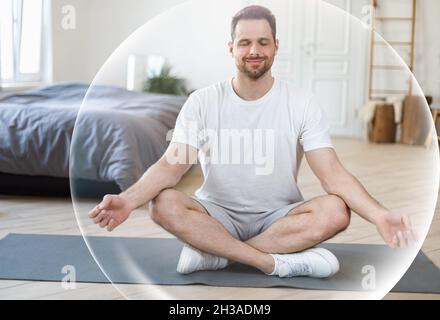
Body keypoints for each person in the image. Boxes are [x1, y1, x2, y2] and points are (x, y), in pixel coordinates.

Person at [89, 5, 416, 279]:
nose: (254, 51)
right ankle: (270, 262)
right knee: (163, 203)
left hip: (279, 216)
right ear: (231, 48)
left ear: (276, 45)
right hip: (214, 214)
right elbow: (171, 166)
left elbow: (332, 173)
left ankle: (215, 254)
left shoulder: (301, 102)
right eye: (245, 43)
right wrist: (128, 200)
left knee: (335, 211)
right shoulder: (202, 101)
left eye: (263, 42)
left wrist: (379, 215)